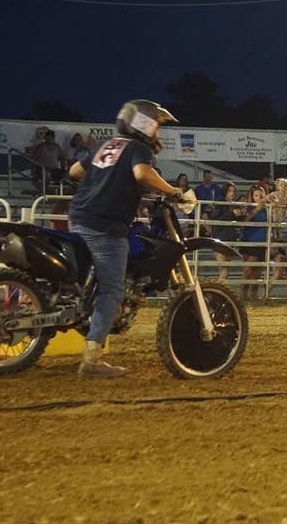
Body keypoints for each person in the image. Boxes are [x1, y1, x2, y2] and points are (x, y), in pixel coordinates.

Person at [68, 99, 182, 378]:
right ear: (146, 124)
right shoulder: (139, 149)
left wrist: (104, 180)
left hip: (79, 217)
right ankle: (92, 360)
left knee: (91, 279)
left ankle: (84, 314)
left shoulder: (107, 146)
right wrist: (171, 191)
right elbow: (142, 173)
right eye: (157, 127)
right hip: (106, 227)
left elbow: (74, 171)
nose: (159, 134)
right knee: (112, 291)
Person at [239, 185, 269, 303]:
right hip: (248, 240)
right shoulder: (248, 207)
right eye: (256, 195)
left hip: (260, 241)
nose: (259, 197)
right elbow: (244, 220)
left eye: (261, 195)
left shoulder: (268, 208)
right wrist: (256, 208)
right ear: (252, 197)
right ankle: (243, 295)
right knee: (248, 269)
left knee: (257, 271)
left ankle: (252, 295)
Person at [210, 183, 241, 282]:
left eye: (233, 191)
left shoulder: (234, 205)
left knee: (224, 270)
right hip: (220, 240)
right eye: (229, 191)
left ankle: (219, 293)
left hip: (229, 240)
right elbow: (215, 220)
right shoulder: (220, 203)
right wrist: (232, 214)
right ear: (225, 192)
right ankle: (217, 292)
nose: (232, 193)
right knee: (224, 270)